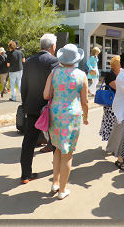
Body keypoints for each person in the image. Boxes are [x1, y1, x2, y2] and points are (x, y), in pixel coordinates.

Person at [44, 43, 88, 199]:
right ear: (76, 59)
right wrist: (86, 117)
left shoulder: (54, 73)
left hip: (55, 114)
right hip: (72, 116)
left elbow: (45, 95)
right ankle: (62, 190)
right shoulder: (82, 75)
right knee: (68, 153)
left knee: (57, 148)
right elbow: (85, 101)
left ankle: (55, 183)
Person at [19, 34, 59, 184]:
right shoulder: (53, 61)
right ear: (52, 47)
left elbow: (24, 86)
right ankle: (57, 173)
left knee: (28, 142)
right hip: (49, 107)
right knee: (55, 141)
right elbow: (55, 85)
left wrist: (25, 105)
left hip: (32, 107)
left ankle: (25, 175)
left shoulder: (29, 61)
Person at [99, 56, 120, 144]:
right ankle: (112, 143)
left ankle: (113, 143)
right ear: (116, 65)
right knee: (112, 123)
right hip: (111, 103)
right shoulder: (111, 75)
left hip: (114, 102)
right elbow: (116, 87)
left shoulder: (116, 74)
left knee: (113, 122)